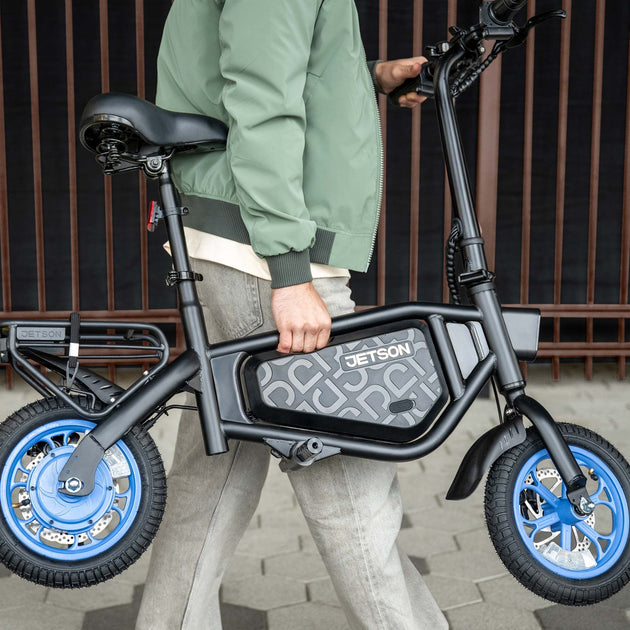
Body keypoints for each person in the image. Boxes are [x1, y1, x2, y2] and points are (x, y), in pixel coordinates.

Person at [136, 1, 448, 628]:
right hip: (262, 252)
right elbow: (260, 101)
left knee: (213, 475)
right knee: (351, 490)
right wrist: (289, 273)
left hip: (231, 239)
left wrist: (367, 74)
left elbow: (264, 59)